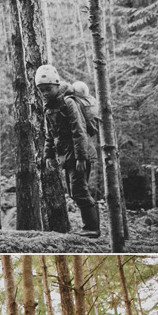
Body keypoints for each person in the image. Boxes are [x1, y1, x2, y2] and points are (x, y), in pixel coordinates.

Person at [34, 67, 101, 228]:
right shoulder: (49, 107)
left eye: (48, 89)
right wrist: (48, 155)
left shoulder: (68, 102)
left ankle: (92, 228)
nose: (45, 93)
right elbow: (50, 134)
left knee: (79, 191)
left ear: (57, 85)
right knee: (74, 192)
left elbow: (79, 130)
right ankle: (93, 225)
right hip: (67, 155)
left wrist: (81, 157)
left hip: (79, 155)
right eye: (41, 90)